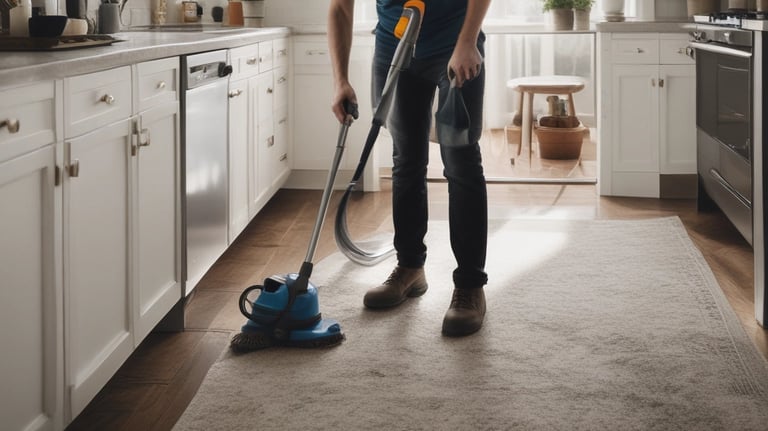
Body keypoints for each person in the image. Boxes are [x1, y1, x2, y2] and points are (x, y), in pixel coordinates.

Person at [328, 0, 490, 337]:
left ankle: (470, 285)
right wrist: (340, 80)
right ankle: (410, 266)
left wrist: (467, 41)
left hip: (455, 44)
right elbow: (340, 8)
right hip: (394, 48)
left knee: (461, 163)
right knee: (406, 162)